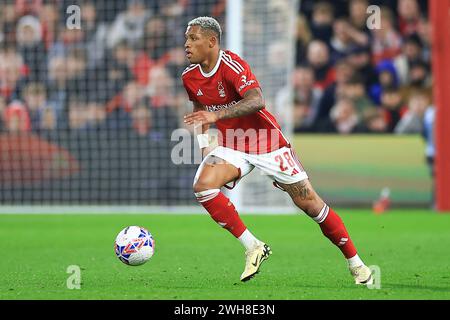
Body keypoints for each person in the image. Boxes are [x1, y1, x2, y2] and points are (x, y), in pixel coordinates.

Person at [182, 17, 373, 285]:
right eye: (186, 39)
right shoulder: (189, 77)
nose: (186, 45)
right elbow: (199, 111)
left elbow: (257, 100)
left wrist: (218, 116)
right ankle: (253, 247)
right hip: (233, 143)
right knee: (203, 186)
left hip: (266, 142)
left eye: (193, 39)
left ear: (211, 41)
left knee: (310, 205)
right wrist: (205, 148)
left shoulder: (232, 65)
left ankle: (357, 264)